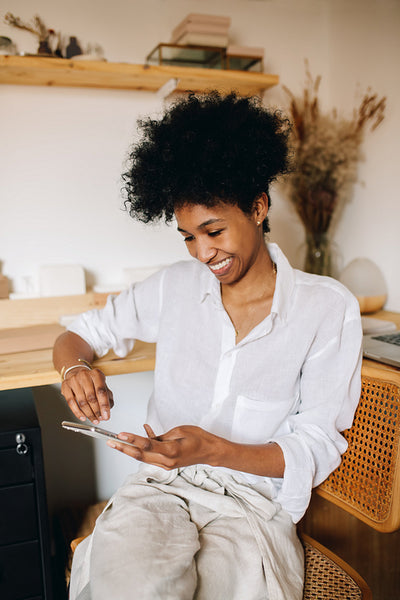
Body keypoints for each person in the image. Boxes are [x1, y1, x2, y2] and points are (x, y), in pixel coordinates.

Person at [53, 92, 362, 600]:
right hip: (159, 490)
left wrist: (214, 450)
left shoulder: (326, 308)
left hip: (251, 509)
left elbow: (315, 445)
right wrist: (74, 372)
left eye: (213, 230)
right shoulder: (174, 287)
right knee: (133, 588)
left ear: (258, 207)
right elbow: (76, 335)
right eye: (188, 238)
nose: (203, 253)